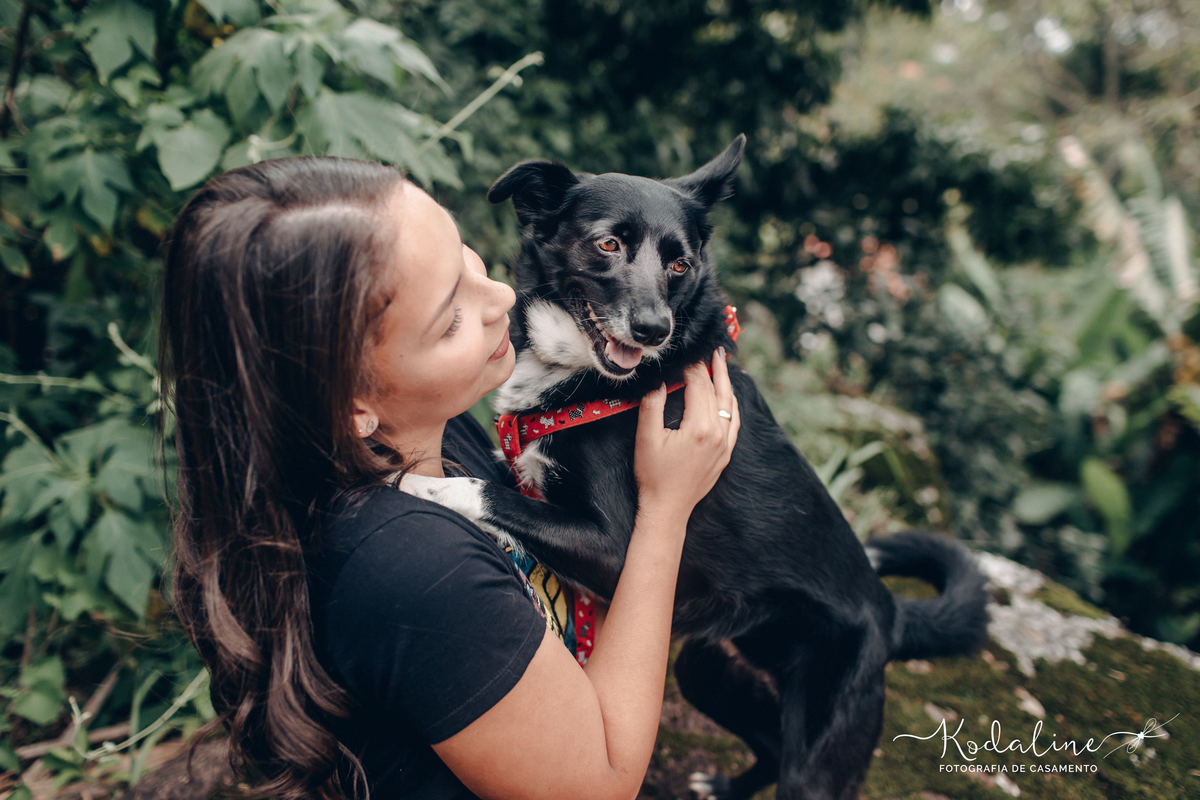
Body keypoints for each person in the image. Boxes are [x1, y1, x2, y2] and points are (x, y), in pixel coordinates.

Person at [159, 157, 741, 800]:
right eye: (451, 319)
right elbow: (598, 788)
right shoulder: (414, 568)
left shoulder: (439, 440)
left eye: (470, 263)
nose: (502, 299)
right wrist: (666, 506)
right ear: (353, 403)